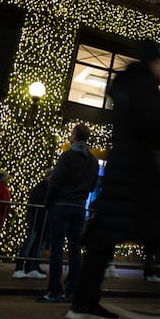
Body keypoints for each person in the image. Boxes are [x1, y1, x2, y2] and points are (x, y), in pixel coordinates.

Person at [67, 40, 160, 319]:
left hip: (121, 169)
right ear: (152, 62)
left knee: (104, 238)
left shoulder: (126, 83)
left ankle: (83, 303)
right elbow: (154, 125)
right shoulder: (144, 85)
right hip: (137, 172)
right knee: (156, 226)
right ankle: (152, 298)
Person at [39, 123, 100, 302]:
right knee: (75, 250)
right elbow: (92, 186)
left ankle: (54, 290)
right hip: (79, 207)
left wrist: (48, 202)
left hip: (61, 206)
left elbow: (55, 182)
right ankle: (72, 289)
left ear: (74, 137)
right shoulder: (93, 161)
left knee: (56, 249)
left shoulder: (67, 157)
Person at [12, 168, 52, 279]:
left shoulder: (46, 188)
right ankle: (20, 268)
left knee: (38, 247)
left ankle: (32, 268)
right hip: (38, 220)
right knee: (29, 245)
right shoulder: (41, 188)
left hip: (43, 222)